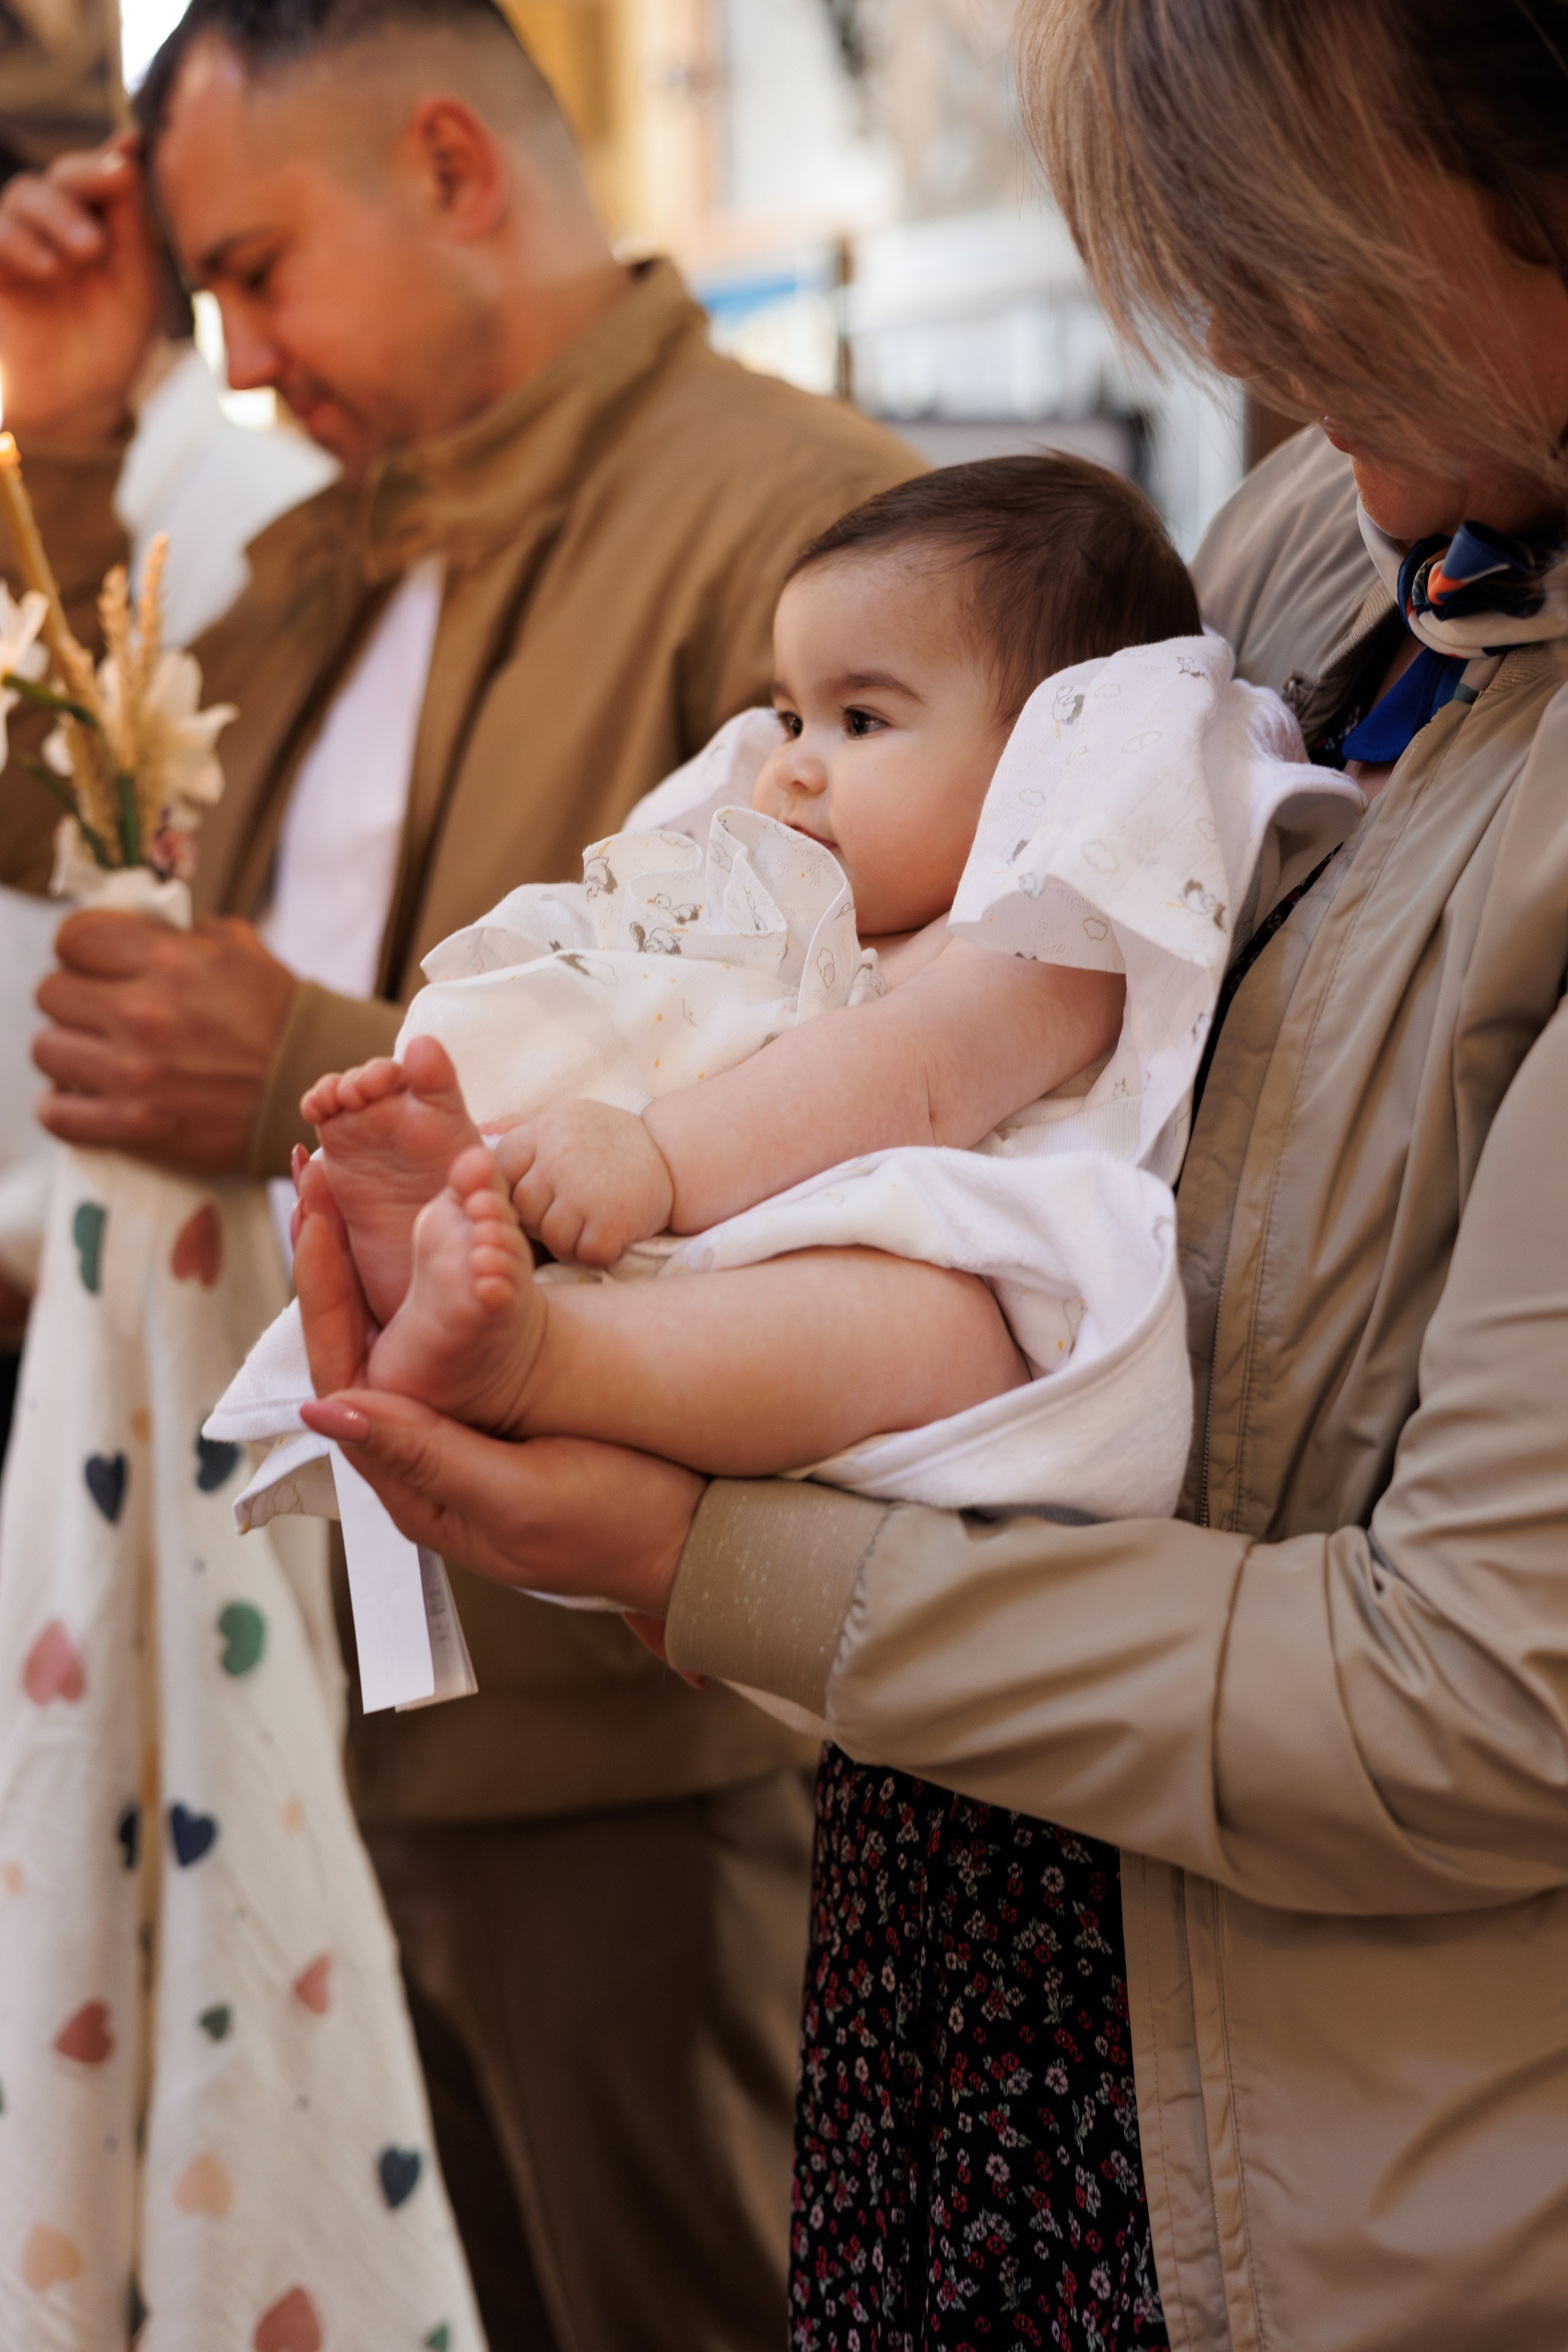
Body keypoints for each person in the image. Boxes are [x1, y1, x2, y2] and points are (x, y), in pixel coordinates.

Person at [297, 1, 1568, 2345]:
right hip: (990, 1917)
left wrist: (694, 1526)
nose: (1268, 367)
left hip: (1297, 2134)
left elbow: (1473, 1704)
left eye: (1319, 289)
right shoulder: (1341, 532)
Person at [0, 1, 923, 2342]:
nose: (241, 355)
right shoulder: (333, 551)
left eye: (257, 272)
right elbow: (75, 826)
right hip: (320, 1657)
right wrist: (72, 427)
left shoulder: (800, 518)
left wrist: (292, 1068)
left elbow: (877, 1080)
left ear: (452, 163)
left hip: (623, 1707)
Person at [292, 458, 1201, 1466]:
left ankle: (540, 1358)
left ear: (1046, 758)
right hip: (731, 1228)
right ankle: (454, 1236)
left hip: (971, 1314)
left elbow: (917, 1076)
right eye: (790, 718)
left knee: (921, 1325)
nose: (795, 764)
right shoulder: (813, 906)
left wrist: (659, 1159)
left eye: (862, 721)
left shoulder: (1052, 938)